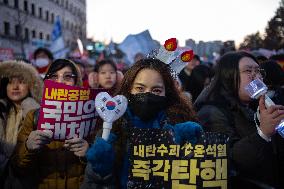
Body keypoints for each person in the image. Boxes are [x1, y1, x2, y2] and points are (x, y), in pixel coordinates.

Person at [81, 58, 203, 189]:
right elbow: (91, 184)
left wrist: (190, 149)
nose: (147, 96)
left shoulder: (179, 128)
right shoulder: (112, 131)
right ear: (129, 90)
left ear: (167, 93)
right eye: (140, 88)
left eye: (156, 90)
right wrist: (100, 171)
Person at [194, 51, 284, 188]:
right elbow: (227, 161)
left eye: (258, 70)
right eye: (248, 71)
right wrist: (263, 134)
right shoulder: (211, 112)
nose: (256, 77)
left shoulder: (258, 104)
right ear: (228, 77)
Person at [11, 59, 93, 189]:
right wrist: (28, 147)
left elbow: (106, 169)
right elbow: (18, 168)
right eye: (54, 76)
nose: (60, 82)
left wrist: (90, 153)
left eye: (67, 77)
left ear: (77, 82)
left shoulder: (91, 114)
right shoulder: (33, 117)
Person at [0, 60, 42, 188]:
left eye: (22, 82)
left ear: (31, 85)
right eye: (10, 82)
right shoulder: (1, 110)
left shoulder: (37, 113)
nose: (15, 87)